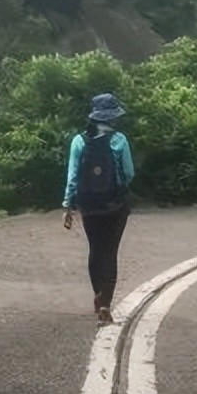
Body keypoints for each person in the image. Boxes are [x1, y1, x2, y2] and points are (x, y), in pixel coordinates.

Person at [63, 92, 135, 325]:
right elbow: (129, 173)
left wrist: (68, 205)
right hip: (115, 205)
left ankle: (97, 295)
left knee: (95, 249)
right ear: (113, 117)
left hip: (89, 205)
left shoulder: (79, 141)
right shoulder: (119, 140)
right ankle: (105, 305)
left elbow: (73, 177)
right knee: (110, 252)